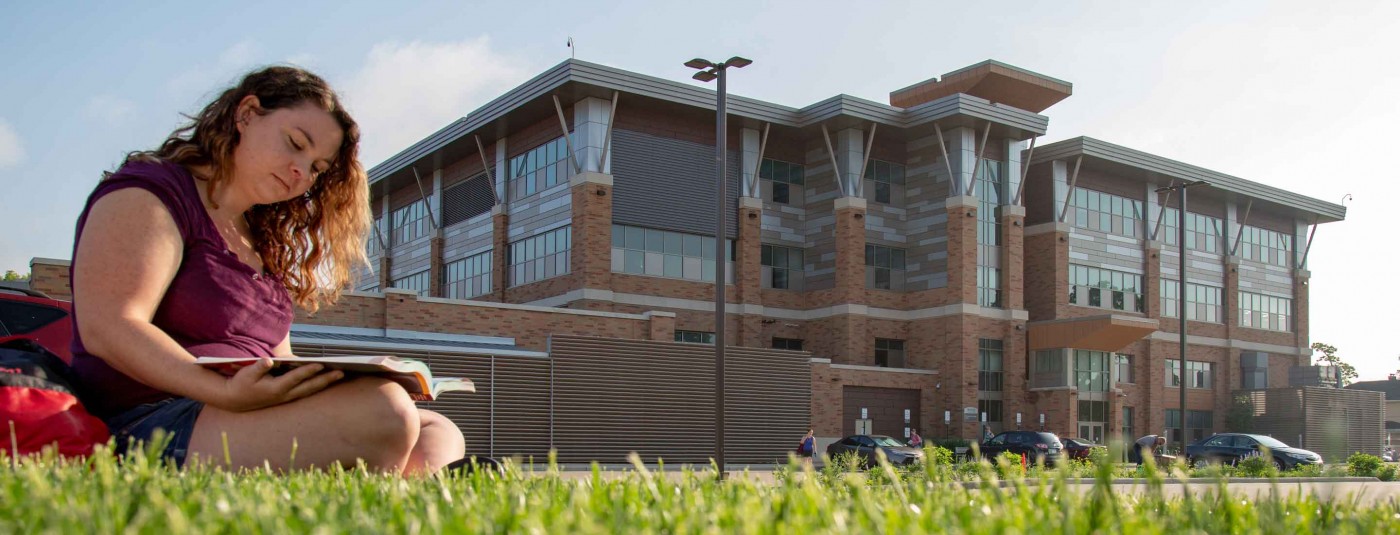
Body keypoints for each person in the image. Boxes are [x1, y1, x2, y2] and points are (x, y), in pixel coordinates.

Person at [69, 66, 465, 476]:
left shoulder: (261, 242)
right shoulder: (152, 192)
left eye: (316, 167)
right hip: (150, 420)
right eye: (295, 143)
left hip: (239, 411)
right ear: (246, 114)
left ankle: (409, 497)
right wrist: (223, 391)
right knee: (384, 411)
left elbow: (278, 360)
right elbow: (110, 326)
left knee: (435, 428)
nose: (301, 171)